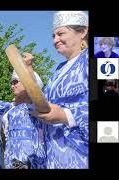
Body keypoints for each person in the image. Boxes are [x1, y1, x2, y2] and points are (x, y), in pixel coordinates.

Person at [30, 11, 89, 168]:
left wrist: (65, 115)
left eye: (61, 33)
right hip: (54, 154)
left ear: (83, 32)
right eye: (53, 36)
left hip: (81, 154)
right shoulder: (58, 70)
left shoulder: (104, 55)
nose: (56, 40)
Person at [0, 53, 46, 169]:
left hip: (33, 161)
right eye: (11, 83)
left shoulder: (35, 105)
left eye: (15, 82)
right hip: (11, 160)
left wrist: (28, 67)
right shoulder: (10, 107)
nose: (12, 86)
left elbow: (35, 90)